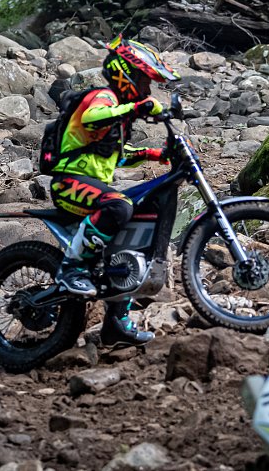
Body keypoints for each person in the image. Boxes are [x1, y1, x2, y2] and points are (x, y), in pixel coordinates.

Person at [49, 35, 180, 347]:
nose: (147, 90)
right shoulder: (101, 97)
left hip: (93, 185)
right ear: (126, 72)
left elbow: (117, 154)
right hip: (68, 182)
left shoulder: (117, 112)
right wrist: (137, 106)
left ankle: (117, 322)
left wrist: (153, 154)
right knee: (119, 206)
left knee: (134, 223)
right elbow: (93, 118)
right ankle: (71, 269)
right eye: (144, 82)